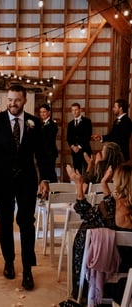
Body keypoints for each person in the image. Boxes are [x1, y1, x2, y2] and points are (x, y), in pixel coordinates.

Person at [0, 84, 49, 291]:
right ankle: (8, 261)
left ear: (25, 100)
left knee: (27, 223)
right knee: (5, 222)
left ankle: (28, 269)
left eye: (17, 100)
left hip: (27, 180)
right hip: (2, 181)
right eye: (10, 99)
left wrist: (44, 178)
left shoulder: (34, 123)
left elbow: (43, 154)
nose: (13, 103)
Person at [66, 163, 132, 300]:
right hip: (129, 269)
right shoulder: (111, 205)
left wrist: (78, 184)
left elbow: (86, 213)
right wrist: (103, 184)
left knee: (86, 227)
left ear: (119, 181)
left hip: (112, 267)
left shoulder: (110, 207)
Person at [67, 102, 92, 175]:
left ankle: (87, 186)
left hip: (85, 150)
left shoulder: (87, 121)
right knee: (77, 171)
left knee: (88, 171)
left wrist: (79, 146)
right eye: (72, 110)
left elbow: (88, 136)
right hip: (75, 152)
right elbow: (69, 138)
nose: (74, 112)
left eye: (76, 110)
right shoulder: (70, 124)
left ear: (80, 110)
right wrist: (73, 146)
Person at [37, 103, 59, 182]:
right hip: (40, 154)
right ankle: (44, 192)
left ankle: (54, 192)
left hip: (49, 153)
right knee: (42, 174)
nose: (42, 114)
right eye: (41, 112)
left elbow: (49, 139)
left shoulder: (53, 124)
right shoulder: (39, 124)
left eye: (44, 112)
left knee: (50, 173)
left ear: (49, 112)